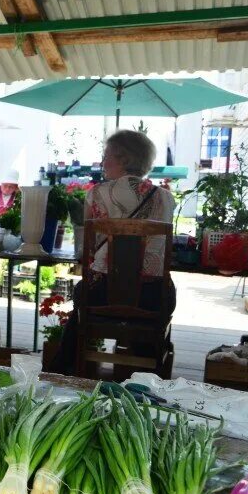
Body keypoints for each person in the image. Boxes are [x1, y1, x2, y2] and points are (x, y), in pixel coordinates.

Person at [50, 129, 176, 376]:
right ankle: (146, 371)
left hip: (102, 295)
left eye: (106, 155)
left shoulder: (96, 194)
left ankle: (63, 368)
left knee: (82, 297)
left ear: (124, 159)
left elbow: (89, 244)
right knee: (156, 298)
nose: (102, 161)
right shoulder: (166, 198)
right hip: (153, 296)